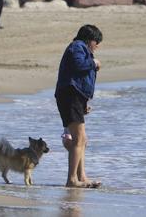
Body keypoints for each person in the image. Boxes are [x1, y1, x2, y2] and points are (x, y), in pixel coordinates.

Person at [55, 24, 103, 188]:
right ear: (91, 40)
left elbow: (78, 79)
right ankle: (72, 179)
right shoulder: (77, 47)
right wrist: (93, 62)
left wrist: (83, 104)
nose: (97, 47)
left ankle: (82, 177)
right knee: (79, 139)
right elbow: (78, 66)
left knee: (83, 140)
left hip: (73, 97)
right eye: (97, 43)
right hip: (69, 96)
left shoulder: (80, 48)